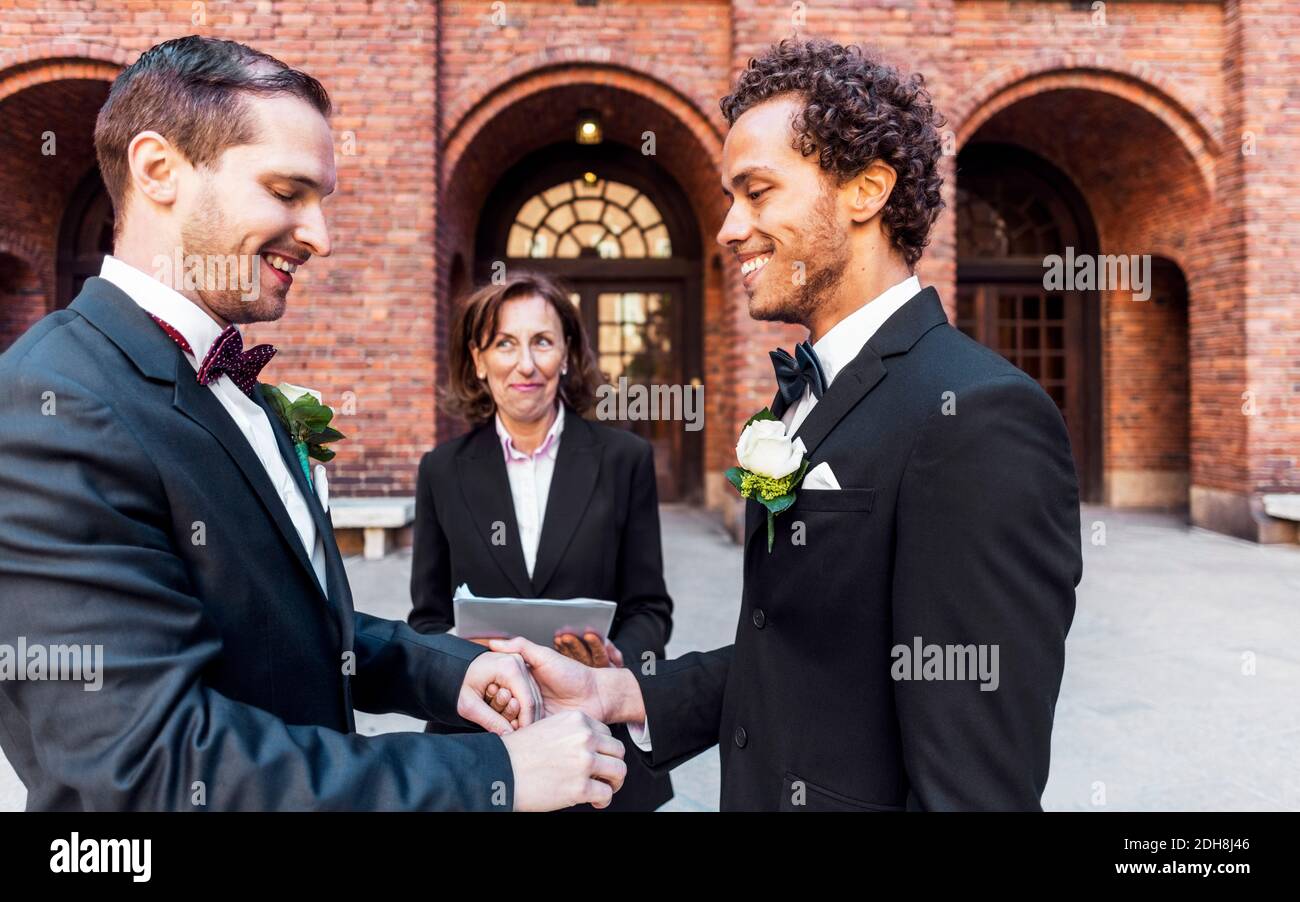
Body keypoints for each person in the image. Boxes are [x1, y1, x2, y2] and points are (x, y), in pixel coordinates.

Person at [0, 35, 625, 812]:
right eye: (286, 191)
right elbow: (150, 765)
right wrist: (495, 774)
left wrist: (449, 669)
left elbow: (288, 625)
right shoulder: (51, 403)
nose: (319, 236)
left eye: (320, 199)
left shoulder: (243, 390)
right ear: (158, 169)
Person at [492, 38, 1083, 811]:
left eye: (758, 192)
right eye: (730, 199)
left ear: (866, 189)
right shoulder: (801, 398)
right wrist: (623, 694)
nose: (728, 228)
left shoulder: (979, 416)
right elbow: (801, 650)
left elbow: (976, 788)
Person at [409, 272, 674, 811]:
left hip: (598, 738)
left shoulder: (624, 460)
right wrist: (468, 669)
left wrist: (615, 664)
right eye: (505, 343)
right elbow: (427, 621)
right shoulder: (441, 470)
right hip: (482, 739)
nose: (525, 364)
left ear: (567, 354)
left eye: (543, 342)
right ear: (478, 360)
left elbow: (650, 609)